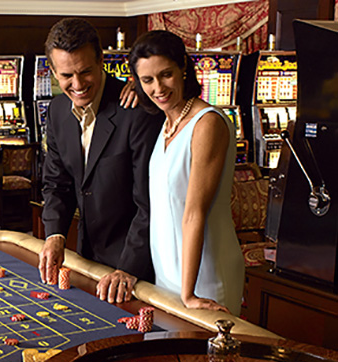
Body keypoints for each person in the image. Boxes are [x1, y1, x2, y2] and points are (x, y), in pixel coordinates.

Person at [38, 18, 164, 304]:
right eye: (67, 75)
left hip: (136, 266)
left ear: (101, 61)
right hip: (89, 257)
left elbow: (150, 203)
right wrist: (55, 234)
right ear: (53, 72)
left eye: (85, 72)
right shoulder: (57, 111)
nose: (78, 84)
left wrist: (128, 268)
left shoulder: (137, 111)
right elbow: (57, 184)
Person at [128, 30, 244, 314]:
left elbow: (194, 213)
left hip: (204, 274)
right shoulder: (165, 125)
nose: (158, 88)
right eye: (147, 80)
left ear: (183, 67)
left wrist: (189, 293)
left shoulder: (207, 123)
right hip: (166, 270)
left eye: (166, 74)